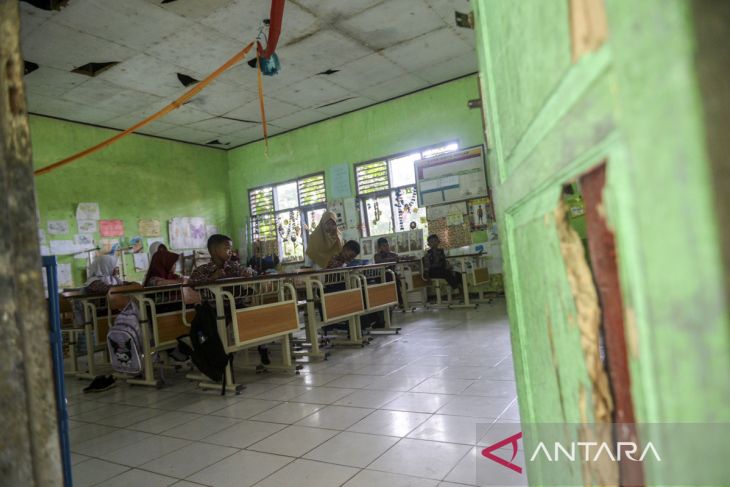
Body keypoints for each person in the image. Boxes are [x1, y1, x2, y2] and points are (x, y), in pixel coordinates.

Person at [189, 234, 256, 284]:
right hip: (213, 303)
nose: (231, 251)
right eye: (227, 248)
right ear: (214, 250)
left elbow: (252, 272)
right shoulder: (202, 270)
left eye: (231, 248)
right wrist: (212, 278)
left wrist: (248, 272)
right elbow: (191, 283)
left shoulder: (233, 266)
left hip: (236, 302)